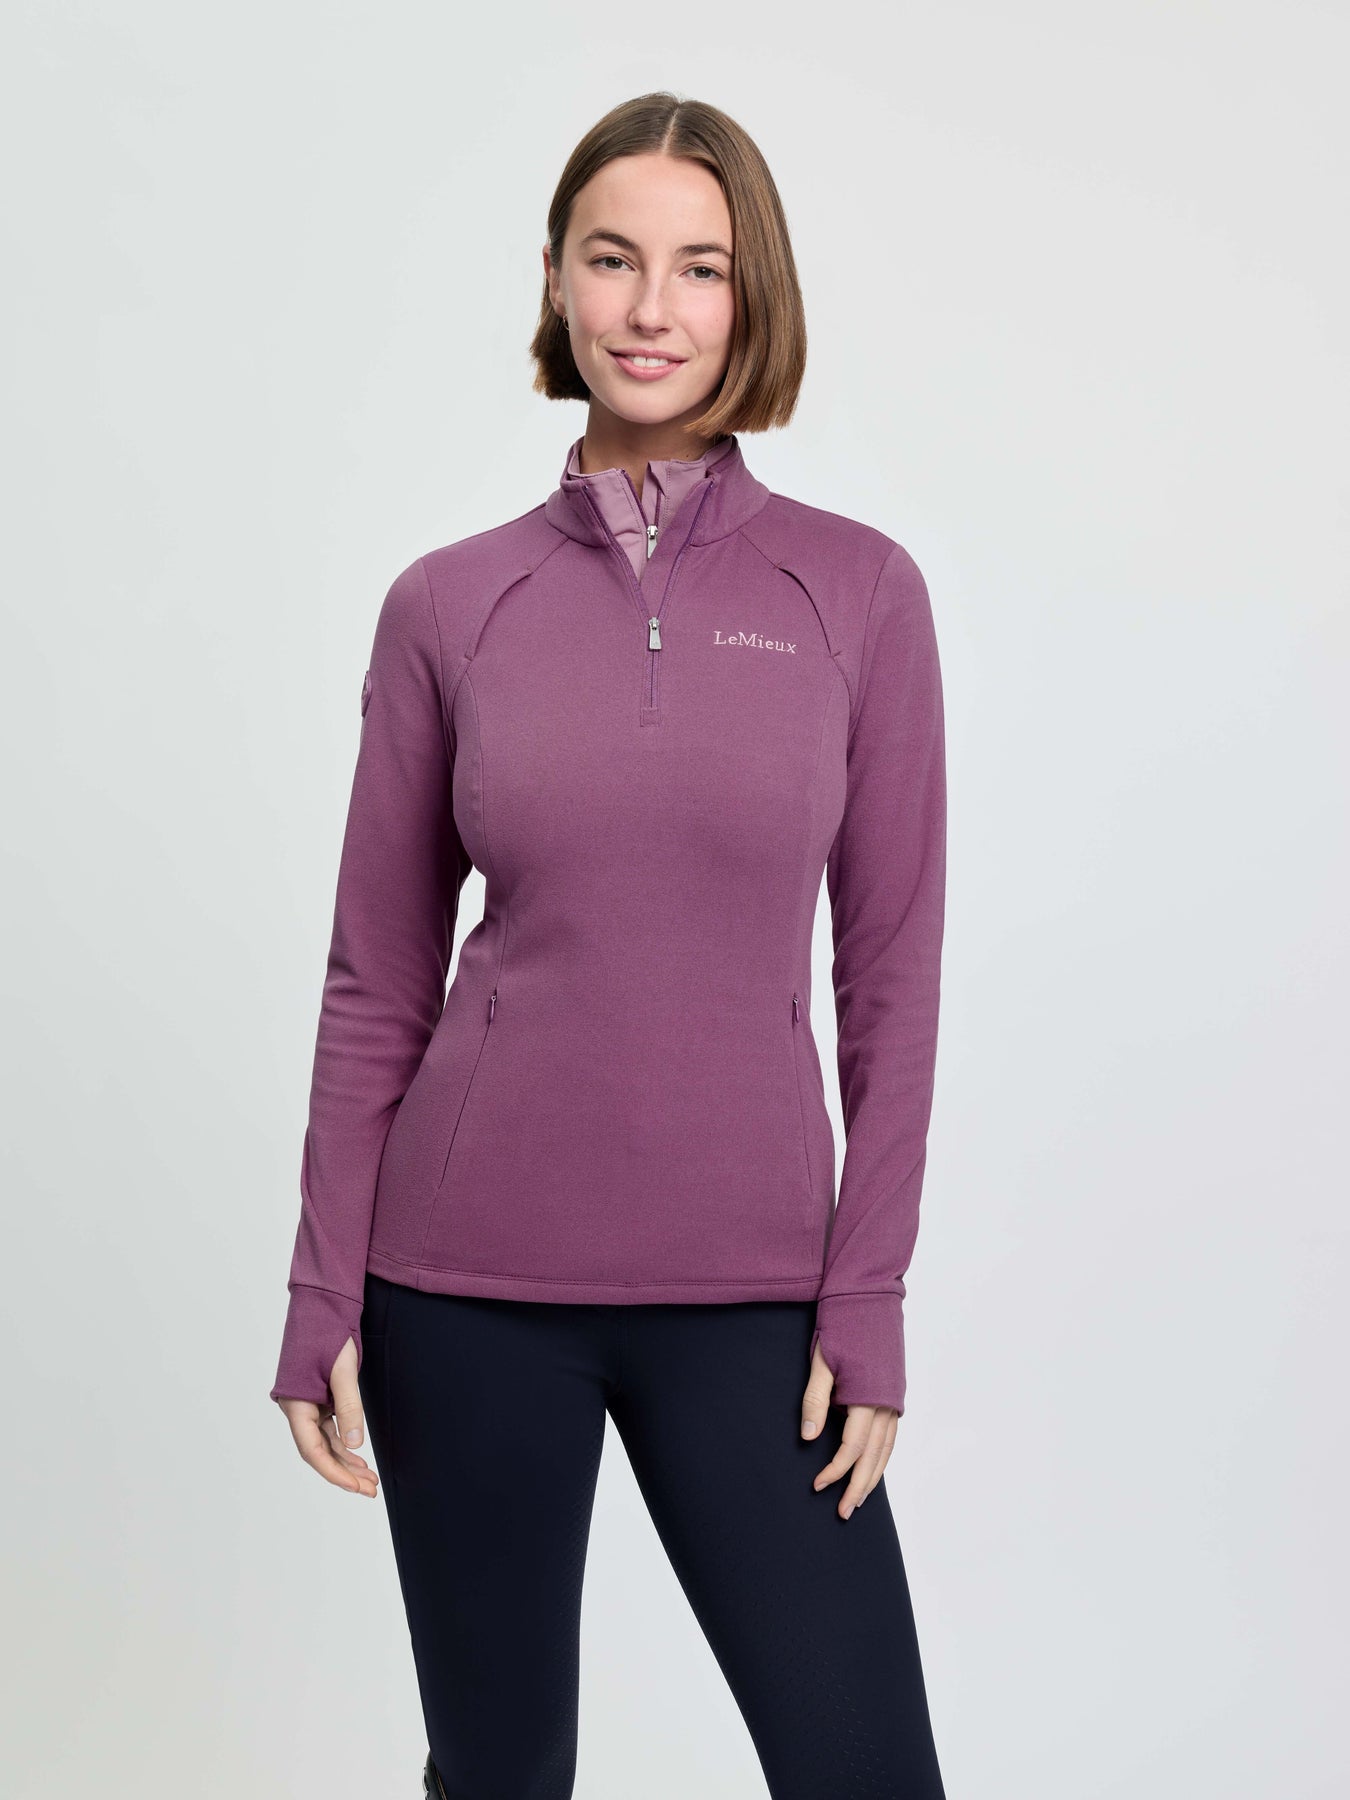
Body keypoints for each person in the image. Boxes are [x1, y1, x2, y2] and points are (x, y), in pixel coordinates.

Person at [270, 90, 949, 1800]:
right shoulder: (450, 602)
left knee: (863, 1768)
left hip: (755, 1297)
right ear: (557, 282)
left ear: (752, 292)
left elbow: (889, 977)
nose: (652, 308)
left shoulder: (857, 593)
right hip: (462, 1291)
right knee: (498, 1775)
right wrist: (321, 1287)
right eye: (612, 258)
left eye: (699, 267)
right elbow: (375, 979)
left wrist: (865, 1294)